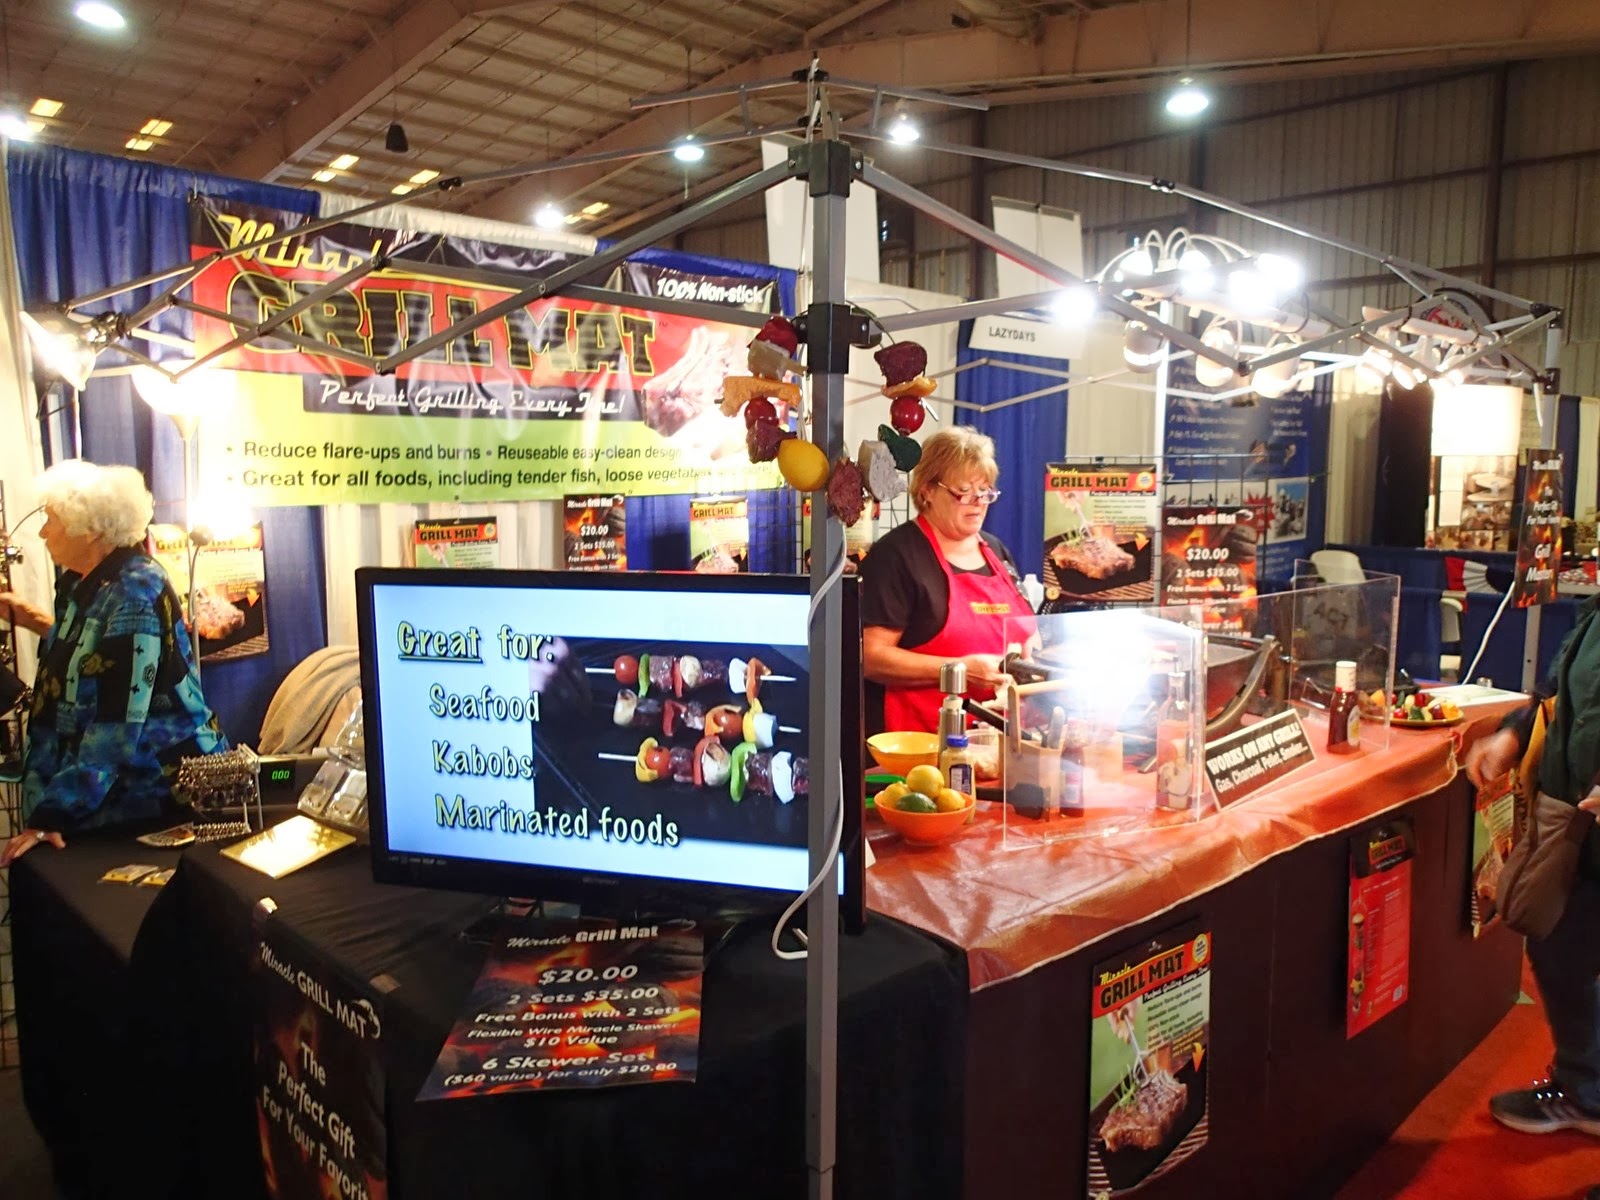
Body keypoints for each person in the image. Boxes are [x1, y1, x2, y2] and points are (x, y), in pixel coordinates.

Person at [0, 460, 227, 866]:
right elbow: (89, 660)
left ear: (90, 529)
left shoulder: (135, 590)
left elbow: (117, 721)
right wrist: (32, 620)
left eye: (52, 520)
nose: (43, 532)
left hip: (148, 799)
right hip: (110, 794)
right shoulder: (83, 582)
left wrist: (56, 812)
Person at [1464, 592, 1600, 1149]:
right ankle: (1586, 1089)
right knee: (1558, 944)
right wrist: (1512, 735)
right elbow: (1555, 698)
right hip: (1576, 824)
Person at [860, 426, 1037, 734]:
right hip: (925, 742)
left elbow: (1027, 629)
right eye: (963, 492)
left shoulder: (996, 550)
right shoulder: (897, 556)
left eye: (985, 491)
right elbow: (871, 658)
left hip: (999, 737)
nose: (978, 502)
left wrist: (1032, 652)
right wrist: (959, 670)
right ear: (927, 490)